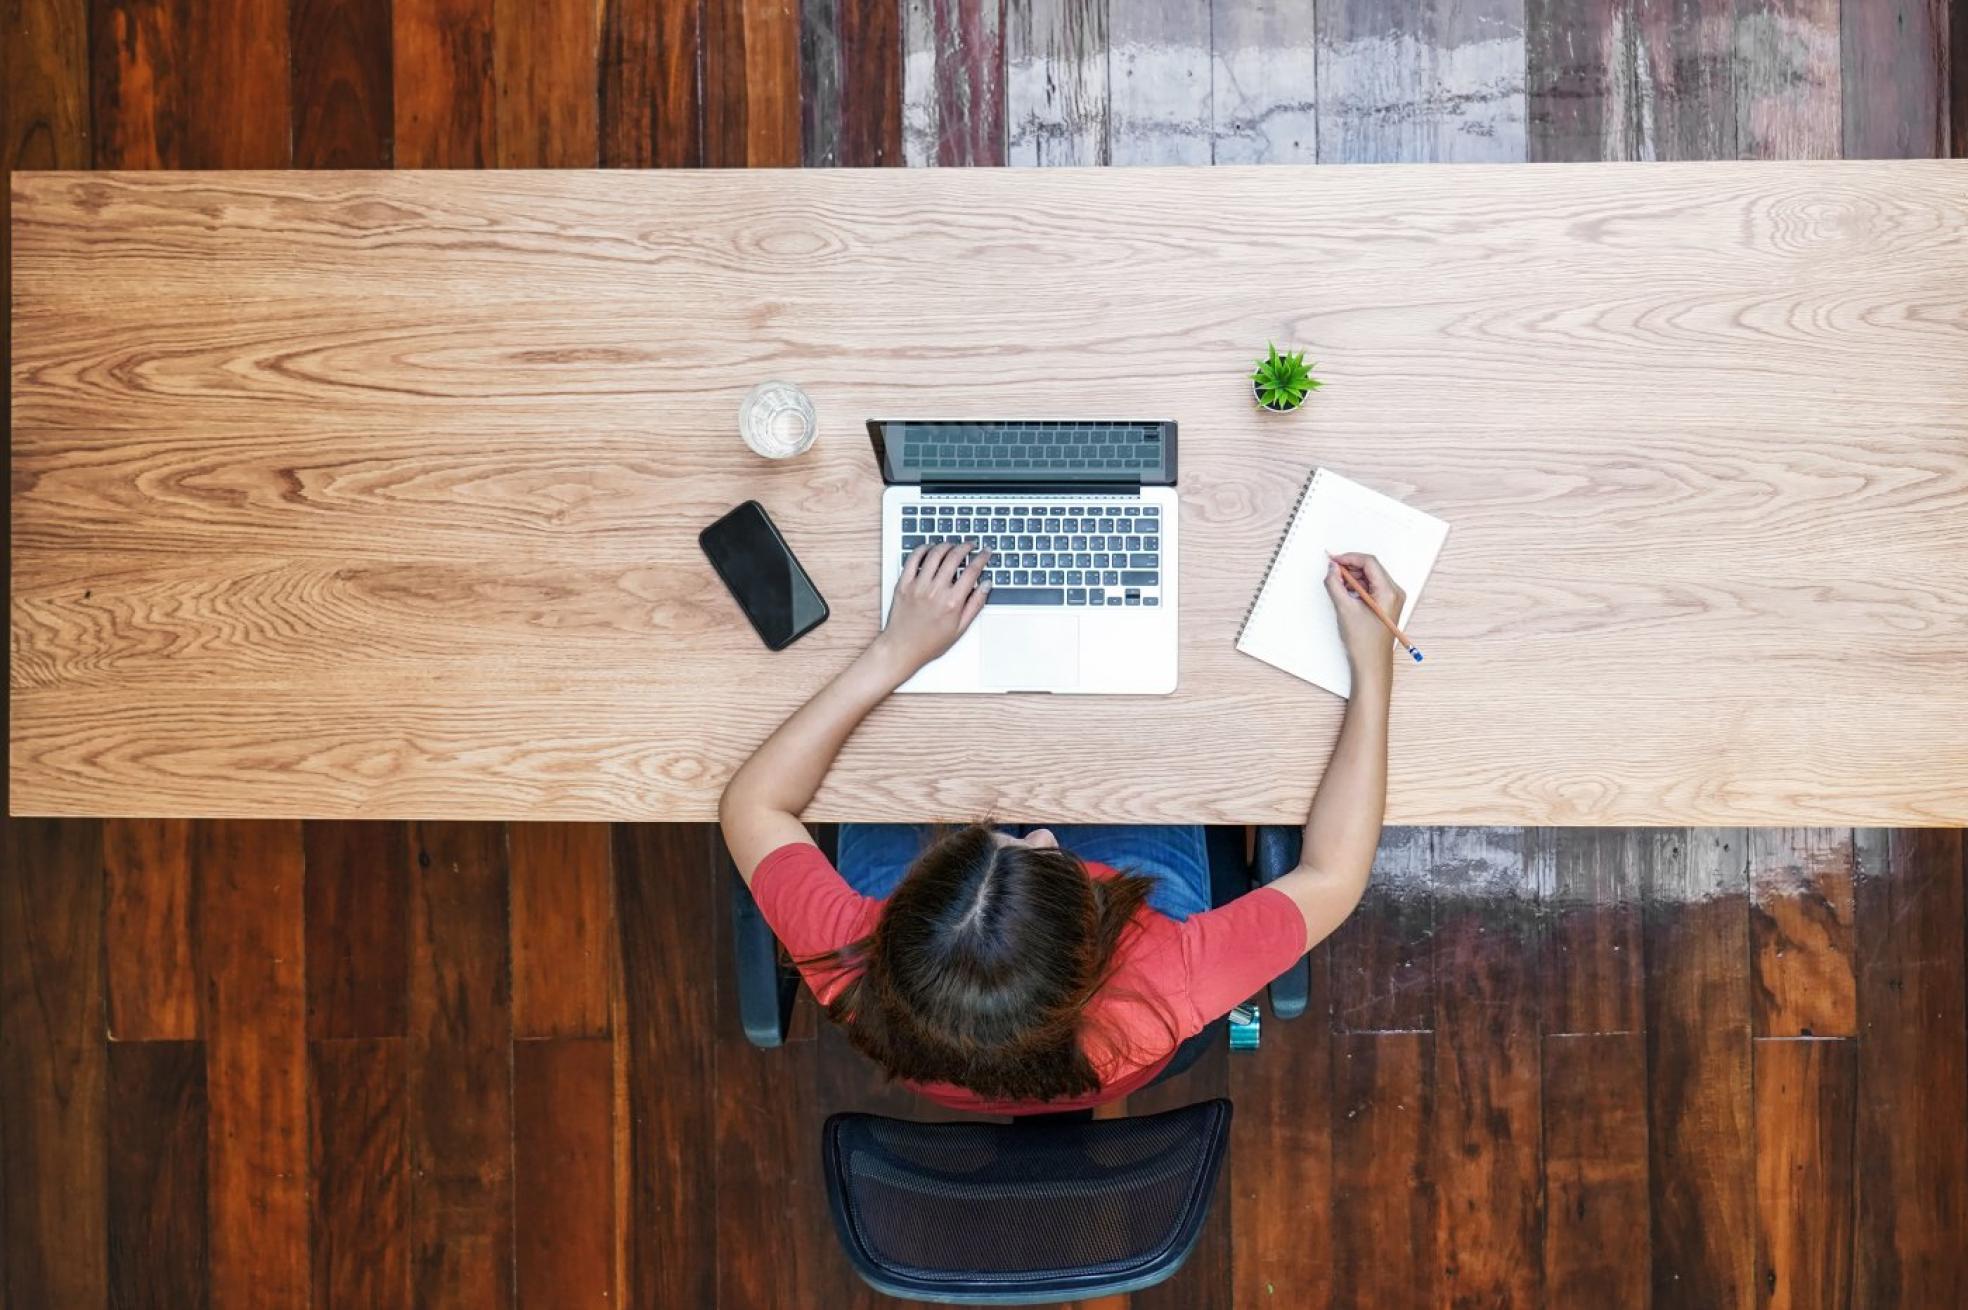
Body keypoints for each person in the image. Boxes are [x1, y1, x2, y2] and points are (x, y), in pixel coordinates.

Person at [719, 541, 1403, 1115]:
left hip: (962, 1057)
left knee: (895, 770)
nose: (1044, 831)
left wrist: (896, 651)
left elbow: (752, 805)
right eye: (1041, 851)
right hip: (1100, 1029)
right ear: (1100, 941)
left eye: (993, 838)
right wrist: (1373, 665)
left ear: (899, 919)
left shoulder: (852, 960)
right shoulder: (1165, 980)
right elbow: (1332, 875)